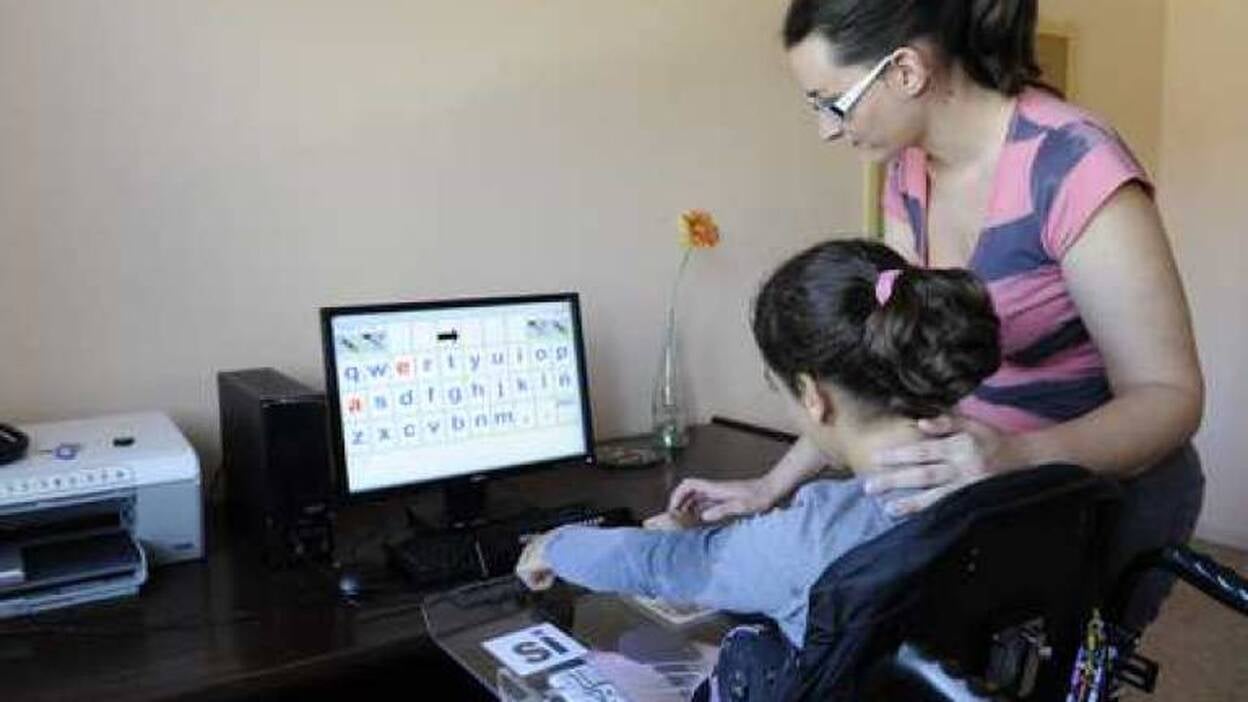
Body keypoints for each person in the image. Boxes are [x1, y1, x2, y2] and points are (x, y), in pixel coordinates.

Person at [667, 0, 1204, 629]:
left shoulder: (1075, 167)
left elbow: (1170, 398)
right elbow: (884, 363)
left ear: (906, 71)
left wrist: (1017, 455)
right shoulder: (908, 169)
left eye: (832, 102)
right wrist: (769, 487)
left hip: (1095, 493)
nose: (827, 130)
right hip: (977, 481)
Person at [515, 238, 1002, 649]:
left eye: (778, 386)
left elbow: (663, 564)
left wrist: (553, 545)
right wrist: (766, 489)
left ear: (811, 395)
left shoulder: (815, 537)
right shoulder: (1002, 479)